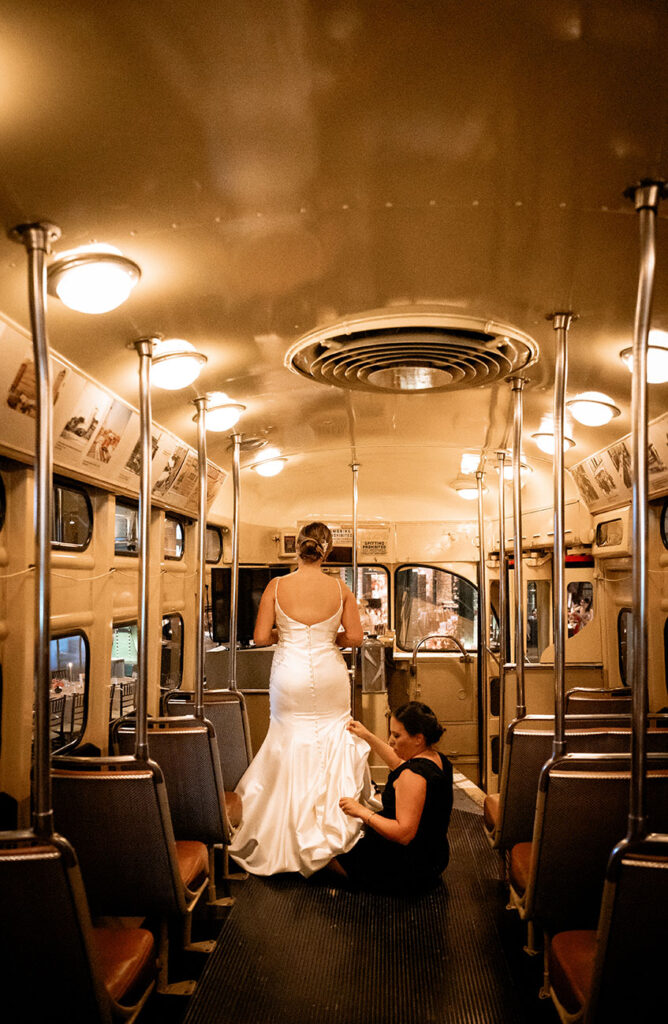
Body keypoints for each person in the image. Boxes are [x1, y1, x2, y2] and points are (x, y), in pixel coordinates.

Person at [229, 522, 372, 876]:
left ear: (298, 548)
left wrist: (288, 633)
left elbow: (261, 638)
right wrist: (327, 639)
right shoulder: (341, 588)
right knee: (333, 736)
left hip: (289, 673)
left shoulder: (276, 587)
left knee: (288, 737)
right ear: (326, 551)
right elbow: (355, 638)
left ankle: (286, 826)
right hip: (329, 675)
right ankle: (336, 822)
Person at [327, 702, 453, 894]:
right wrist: (367, 736)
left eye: (396, 735)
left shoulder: (412, 777)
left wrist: (362, 812)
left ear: (418, 738)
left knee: (323, 857)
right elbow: (397, 762)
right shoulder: (436, 759)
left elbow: (404, 834)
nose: (390, 741)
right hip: (435, 856)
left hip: (409, 864)